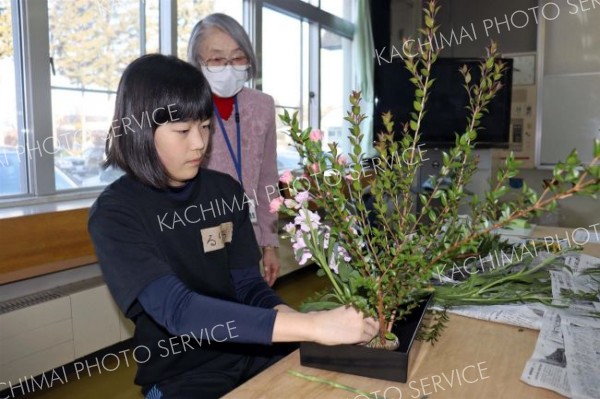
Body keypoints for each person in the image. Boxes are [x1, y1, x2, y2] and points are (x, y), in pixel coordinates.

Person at [88, 54, 379, 399]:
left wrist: (297, 322)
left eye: (206, 126)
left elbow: (249, 287)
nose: (199, 142)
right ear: (139, 129)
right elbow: (179, 311)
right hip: (183, 374)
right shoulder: (116, 213)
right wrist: (314, 325)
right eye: (182, 130)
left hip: (254, 349)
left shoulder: (224, 191)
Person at [187, 13, 281, 286]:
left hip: (245, 235)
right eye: (217, 59)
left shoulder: (262, 106)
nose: (229, 67)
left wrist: (269, 243)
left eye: (238, 58)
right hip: (196, 237)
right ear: (197, 63)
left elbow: (267, 178)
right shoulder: (185, 106)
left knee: (250, 312)